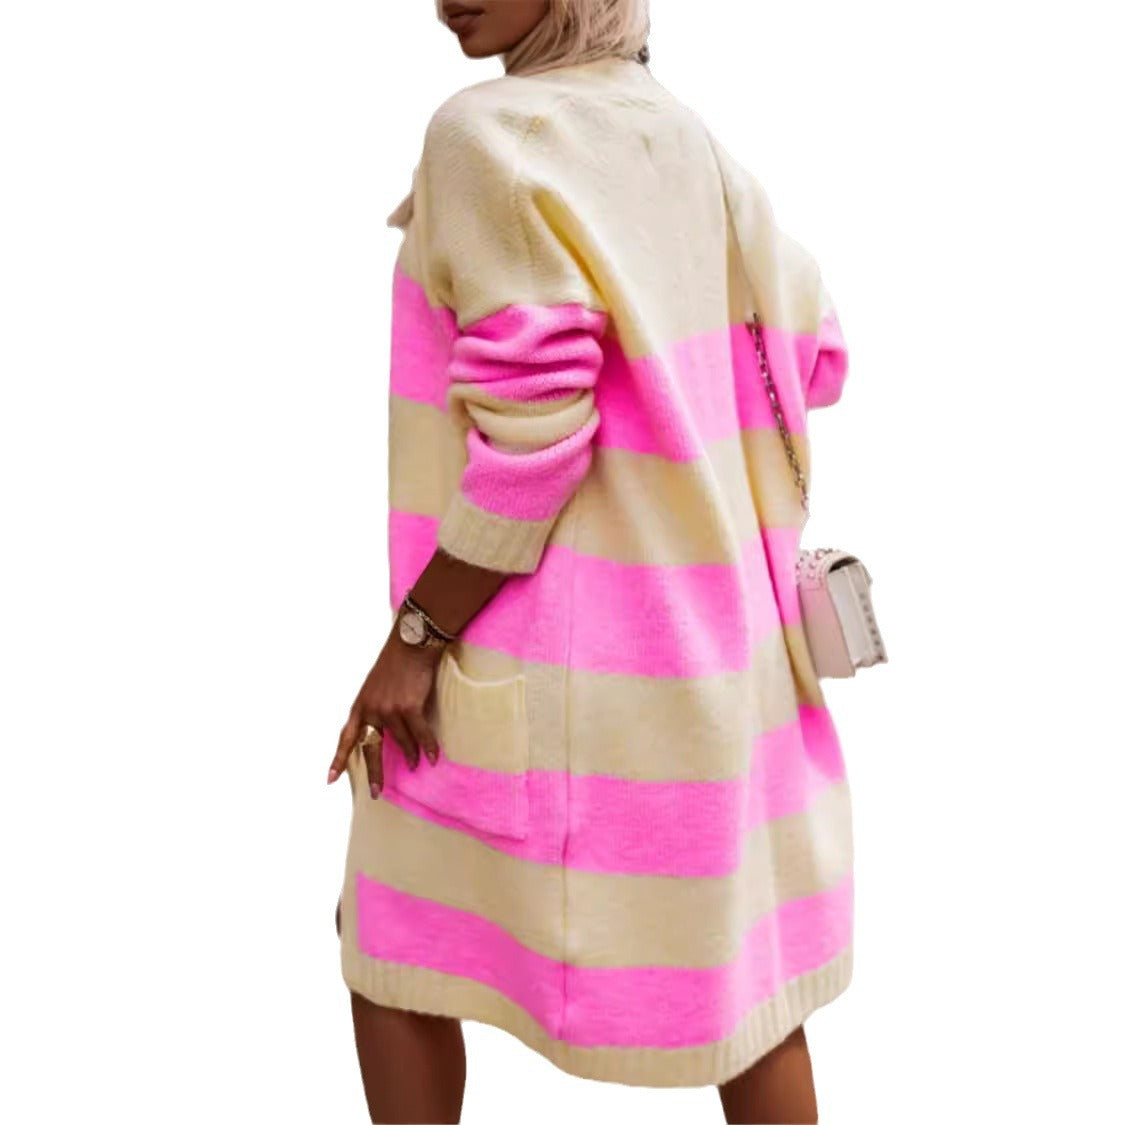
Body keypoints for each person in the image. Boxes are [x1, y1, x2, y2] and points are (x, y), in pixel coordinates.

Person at [327, 2, 854, 1121]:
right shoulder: (689, 140)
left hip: (553, 667)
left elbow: (533, 445)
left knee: (392, 938)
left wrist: (413, 642)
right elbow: (818, 351)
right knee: (746, 996)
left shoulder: (488, 136)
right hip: (721, 665)